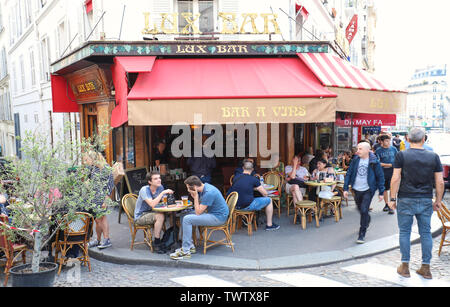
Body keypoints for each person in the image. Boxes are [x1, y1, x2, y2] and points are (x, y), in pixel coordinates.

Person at [389, 127, 444, 280]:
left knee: (404, 232)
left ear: (407, 139)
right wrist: (438, 200)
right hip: (426, 198)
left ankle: (405, 266)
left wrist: (392, 198)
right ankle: (426, 267)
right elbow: (440, 181)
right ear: (424, 139)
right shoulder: (433, 156)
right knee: (426, 233)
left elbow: (395, 178)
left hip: (406, 198)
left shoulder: (402, 155)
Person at [170, 176, 229, 260]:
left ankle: (185, 251)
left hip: (218, 217)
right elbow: (199, 208)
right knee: (184, 215)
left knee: (187, 219)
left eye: (188, 188)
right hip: (211, 213)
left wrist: (195, 197)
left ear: (194, 187)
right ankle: (190, 246)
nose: (187, 190)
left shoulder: (209, 192)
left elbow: (198, 212)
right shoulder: (204, 187)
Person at [343, 141, 385, 244]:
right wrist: (345, 188)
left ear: (367, 150)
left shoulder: (374, 162)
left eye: (360, 149)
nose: (357, 151)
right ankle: (367, 218)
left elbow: (380, 177)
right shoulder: (355, 160)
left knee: (364, 209)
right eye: (357, 149)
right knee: (361, 209)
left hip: (368, 189)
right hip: (356, 189)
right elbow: (349, 173)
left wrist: (381, 192)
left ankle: (362, 234)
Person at [228, 160, 279, 230]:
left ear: (243, 168)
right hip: (247, 205)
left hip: (236, 205)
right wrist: (258, 189)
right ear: (252, 169)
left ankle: (245, 220)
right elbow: (265, 193)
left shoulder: (235, 178)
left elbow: (241, 187)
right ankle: (269, 225)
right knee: (269, 200)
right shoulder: (253, 179)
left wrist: (254, 188)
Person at [134, 171, 173, 253]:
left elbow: (162, 200)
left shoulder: (160, 187)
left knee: (172, 213)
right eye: (155, 179)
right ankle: (157, 242)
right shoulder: (144, 190)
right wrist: (163, 192)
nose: (159, 180)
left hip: (153, 212)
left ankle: (171, 238)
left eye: (159, 178)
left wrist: (169, 199)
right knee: (160, 216)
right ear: (149, 182)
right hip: (141, 216)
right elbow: (152, 204)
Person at [85, 152, 115, 250]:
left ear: (93, 159)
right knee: (97, 220)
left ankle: (106, 240)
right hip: (94, 198)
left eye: (87, 160)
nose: (85, 162)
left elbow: (110, 184)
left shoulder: (106, 168)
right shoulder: (93, 168)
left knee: (102, 218)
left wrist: (106, 200)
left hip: (102, 198)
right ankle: (97, 240)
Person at [375, 134, 397, 215]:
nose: (388, 142)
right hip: (383, 172)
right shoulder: (378, 151)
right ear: (381, 141)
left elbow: (397, 160)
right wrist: (390, 165)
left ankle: (391, 206)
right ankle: (386, 204)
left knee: (392, 188)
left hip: (393, 172)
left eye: (389, 141)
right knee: (384, 189)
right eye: (386, 141)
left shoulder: (393, 149)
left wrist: (391, 165)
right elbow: (377, 163)